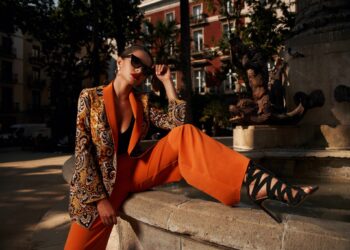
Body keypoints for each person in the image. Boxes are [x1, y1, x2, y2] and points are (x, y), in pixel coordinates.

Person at [65, 45, 318, 249]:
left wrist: (166, 83)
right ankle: (258, 183)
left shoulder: (140, 104)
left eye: (146, 69)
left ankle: (257, 180)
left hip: (132, 172)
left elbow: (177, 125)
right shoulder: (90, 97)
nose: (140, 70)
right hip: (95, 190)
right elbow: (83, 152)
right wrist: (100, 200)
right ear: (120, 61)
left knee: (185, 134)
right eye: (136, 62)